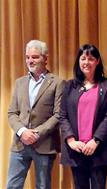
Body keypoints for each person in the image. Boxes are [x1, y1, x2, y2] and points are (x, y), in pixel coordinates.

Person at [6, 40, 65, 189]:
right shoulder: (19, 82)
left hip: (44, 145)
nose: (30, 61)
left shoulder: (58, 82)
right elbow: (12, 113)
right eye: (27, 57)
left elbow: (58, 115)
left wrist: (36, 134)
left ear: (45, 59)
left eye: (35, 57)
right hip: (20, 144)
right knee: (12, 185)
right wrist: (23, 131)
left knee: (43, 186)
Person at [60, 44, 107, 189]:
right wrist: (71, 140)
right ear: (78, 61)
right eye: (83, 58)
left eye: (91, 59)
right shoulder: (69, 86)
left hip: (99, 149)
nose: (86, 62)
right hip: (76, 149)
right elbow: (62, 115)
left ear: (97, 61)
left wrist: (95, 140)